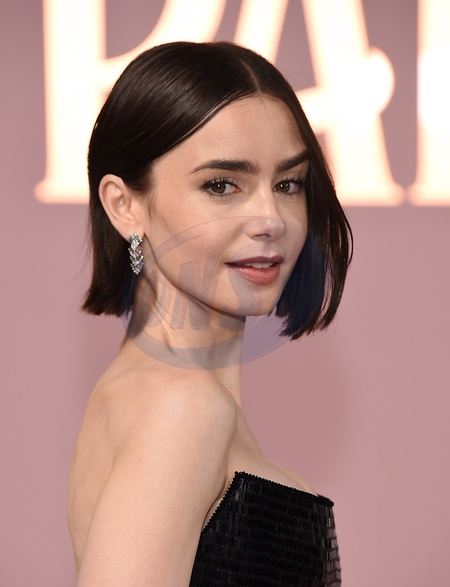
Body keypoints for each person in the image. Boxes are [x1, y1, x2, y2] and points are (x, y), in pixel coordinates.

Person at [67, 41, 352, 586]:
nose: (271, 219)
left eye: (288, 183)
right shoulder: (182, 405)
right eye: (221, 185)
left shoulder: (154, 391)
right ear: (124, 205)